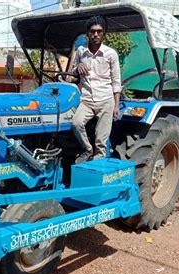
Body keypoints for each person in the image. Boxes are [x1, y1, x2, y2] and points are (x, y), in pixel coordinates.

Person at [72, 16, 122, 163]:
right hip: (86, 99)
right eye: (93, 31)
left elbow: (116, 80)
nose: (96, 35)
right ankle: (88, 149)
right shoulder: (81, 52)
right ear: (87, 33)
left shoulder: (110, 54)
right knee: (76, 123)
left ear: (104, 33)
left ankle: (97, 166)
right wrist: (77, 67)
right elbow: (74, 72)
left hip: (106, 100)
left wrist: (116, 105)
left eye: (99, 31)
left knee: (101, 140)